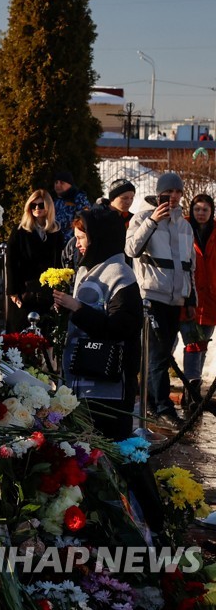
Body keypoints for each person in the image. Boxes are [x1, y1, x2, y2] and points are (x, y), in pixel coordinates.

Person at [53, 206, 143, 441]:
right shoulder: (87, 268)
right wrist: (66, 309)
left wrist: (78, 309)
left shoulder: (121, 275)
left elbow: (122, 327)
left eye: (82, 238)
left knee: (108, 452)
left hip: (109, 391)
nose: (77, 244)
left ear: (99, 237)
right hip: (83, 384)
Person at [125, 171, 194, 425]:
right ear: (159, 192)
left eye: (178, 192)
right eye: (169, 192)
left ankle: (153, 402)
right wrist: (152, 221)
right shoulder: (143, 217)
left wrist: (190, 300)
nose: (174, 197)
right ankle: (163, 407)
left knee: (164, 354)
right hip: (151, 297)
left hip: (176, 300)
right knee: (159, 353)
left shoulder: (184, 225)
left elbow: (190, 266)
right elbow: (131, 249)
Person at [4, 189, 64, 332]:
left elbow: (59, 264)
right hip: (24, 291)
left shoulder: (56, 232)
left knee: (45, 335)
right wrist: (13, 292)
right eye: (33, 205)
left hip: (46, 294)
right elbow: (11, 262)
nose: (37, 208)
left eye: (41, 205)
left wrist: (59, 292)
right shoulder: (20, 231)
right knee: (20, 336)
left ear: (48, 207)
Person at [186, 193, 216, 409]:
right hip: (189, 295)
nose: (201, 213)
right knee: (191, 343)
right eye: (197, 209)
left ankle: (194, 388)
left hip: (212, 298)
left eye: (205, 209)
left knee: (202, 343)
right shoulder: (185, 228)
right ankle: (191, 387)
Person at [52, 170, 90, 247]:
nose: (58, 185)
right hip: (55, 242)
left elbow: (85, 217)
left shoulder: (78, 197)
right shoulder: (53, 199)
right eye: (56, 183)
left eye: (62, 183)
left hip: (73, 243)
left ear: (69, 184)